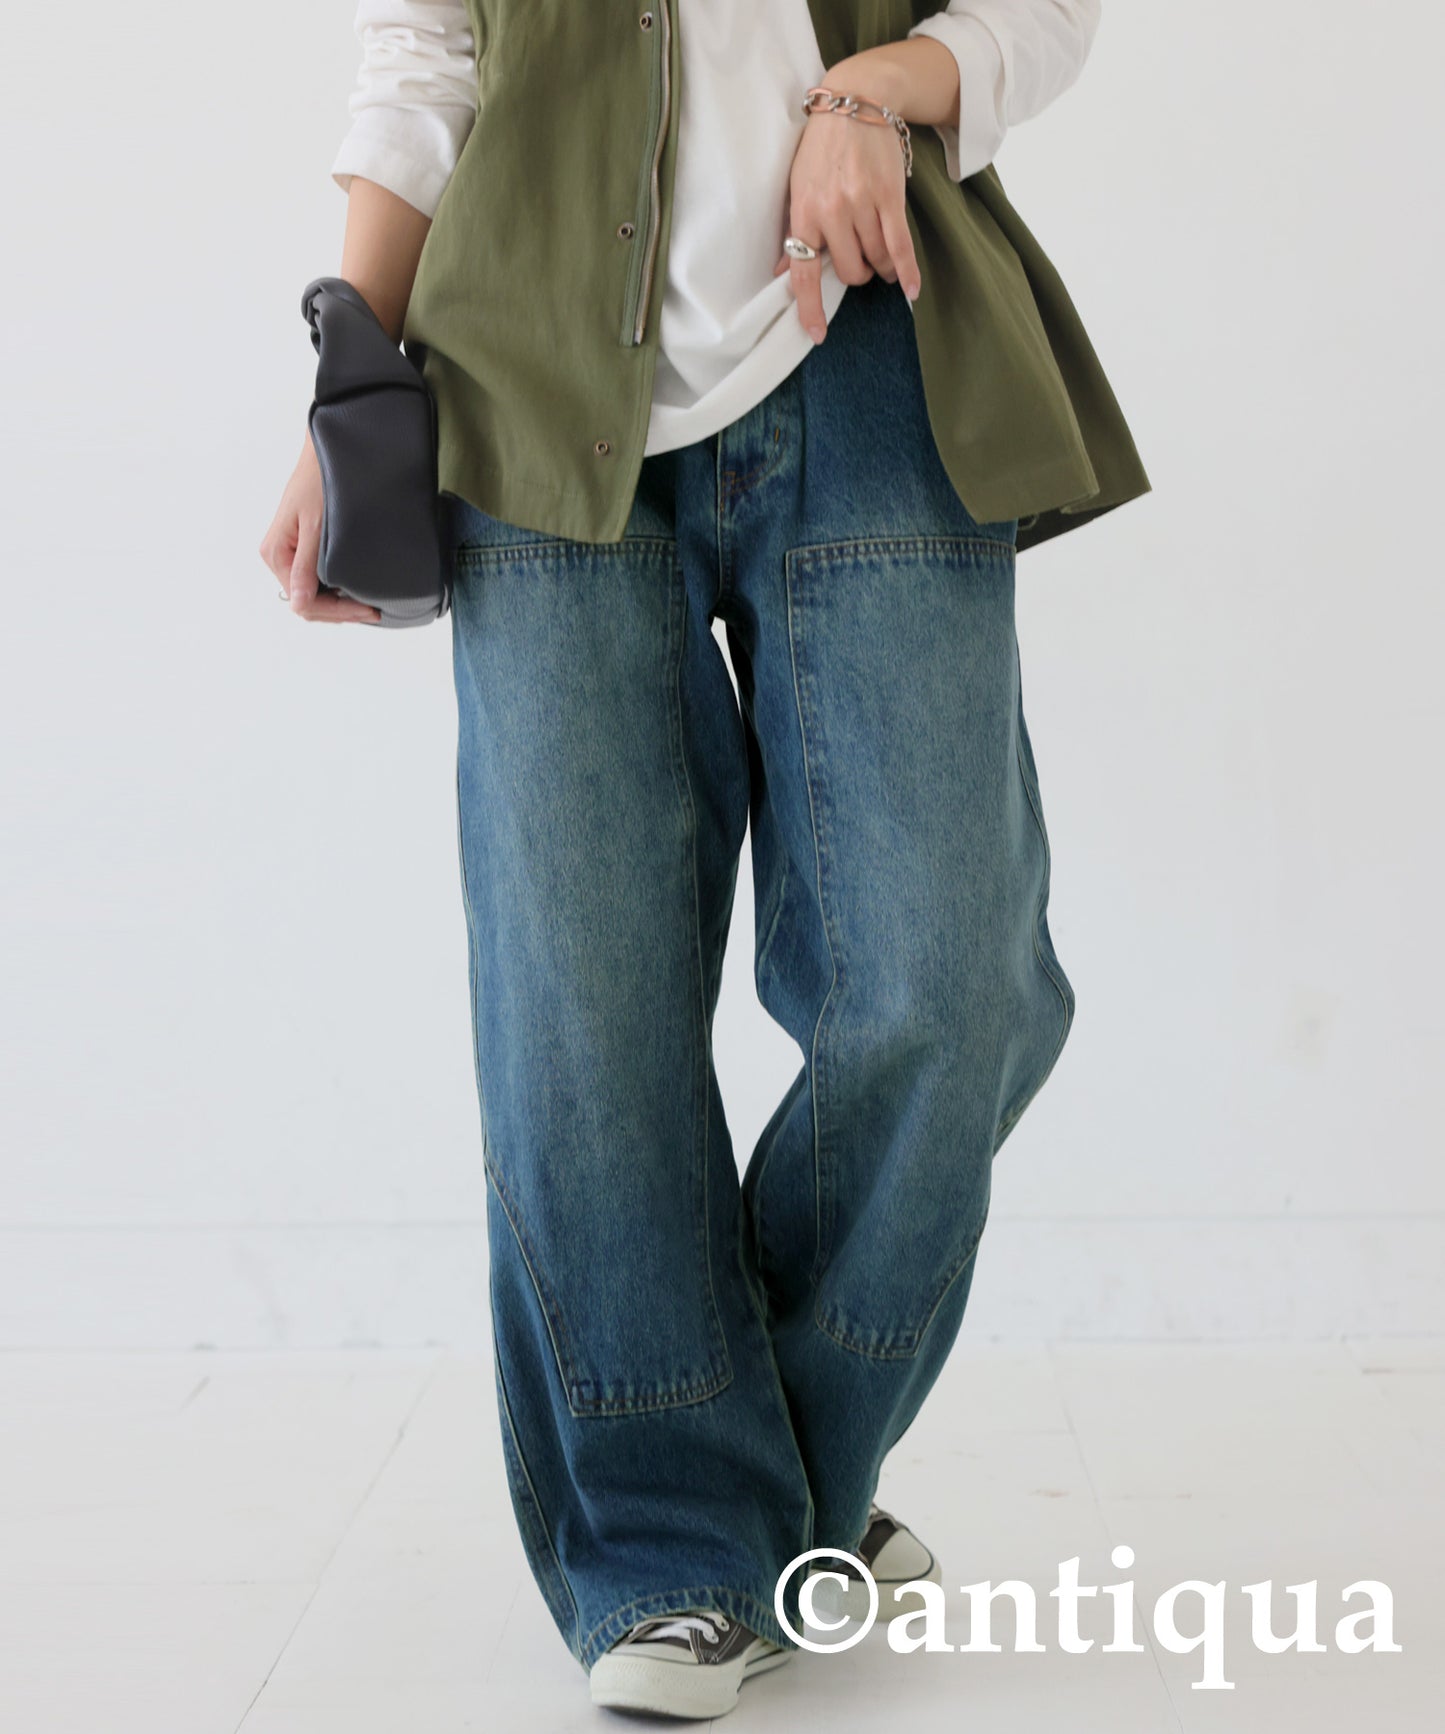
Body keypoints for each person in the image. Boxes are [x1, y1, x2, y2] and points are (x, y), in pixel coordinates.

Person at [260, 2, 1149, 1718]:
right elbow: (424, 59)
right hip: (524, 388)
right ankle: (676, 1554)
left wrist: (875, 91)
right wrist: (343, 386)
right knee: (585, 1025)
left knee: (950, 986)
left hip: (878, 347)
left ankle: (771, 1485)